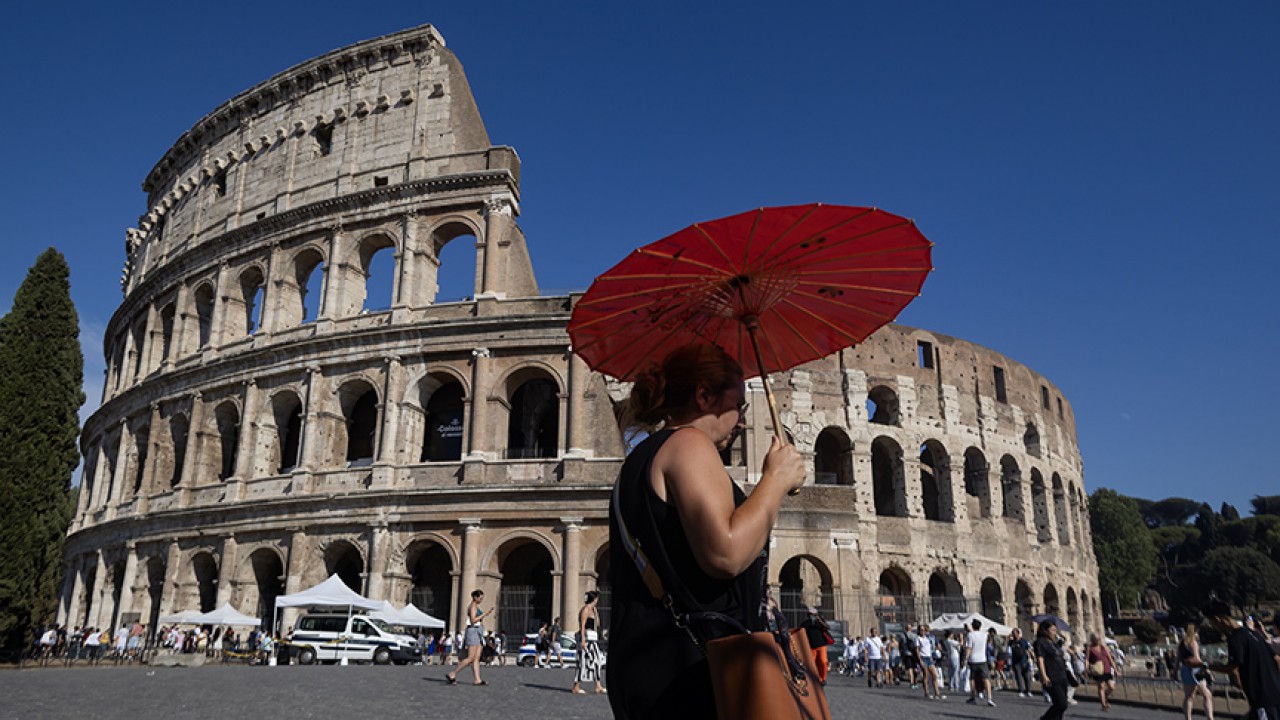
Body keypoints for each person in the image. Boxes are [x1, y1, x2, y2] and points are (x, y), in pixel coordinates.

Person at [606, 343, 806, 720]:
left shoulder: (639, 461)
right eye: (738, 406)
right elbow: (725, 554)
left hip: (647, 666)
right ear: (703, 395)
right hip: (694, 670)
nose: (742, 421)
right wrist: (775, 482)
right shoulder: (689, 445)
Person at [1203, 600, 1280, 720]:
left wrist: (1205, 664)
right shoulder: (1253, 633)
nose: (1214, 627)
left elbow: (1231, 668)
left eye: (1212, 623)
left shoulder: (1235, 639)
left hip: (1263, 699)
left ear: (1217, 619)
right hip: (1274, 692)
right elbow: (1276, 659)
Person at [447, 589, 490, 686]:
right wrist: (484, 614)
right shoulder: (472, 607)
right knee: (470, 658)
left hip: (478, 631)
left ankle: (477, 679)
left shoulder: (476, 606)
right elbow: (473, 620)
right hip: (473, 631)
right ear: (475, 597)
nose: (481, 600)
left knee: (476, 658)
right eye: (480, 598)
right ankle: (453, 673)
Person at [572, 590, 607, 695]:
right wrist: (582, 639)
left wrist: (596, 613)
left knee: (597, 661)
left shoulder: (593, 610)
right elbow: (582, 625)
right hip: (586, 639)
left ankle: (598, 686)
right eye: (597, 598)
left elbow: (598, 624)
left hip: (593, 639)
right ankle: (576, 686)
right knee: (582, 663)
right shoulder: (585, 610)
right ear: (594, 599)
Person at [1177, 623, 1214, 720]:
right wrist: (1207, 669)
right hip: (1195, 669)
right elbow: (1197, 659)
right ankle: (1210, 717)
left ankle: (1188, 718)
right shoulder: (1193, 642)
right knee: (1207, 695)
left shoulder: (1181, 643)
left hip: (1184, 669)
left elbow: (1178, 659)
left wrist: (1175, 670)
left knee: (1189, 696)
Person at [1035, 620, 1070, 720]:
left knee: (1062, 705)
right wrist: (1044, 676)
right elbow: (1040, 659)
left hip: (1062, 675)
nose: (1055, 632)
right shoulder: (1040, 642)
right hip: (1051, 676)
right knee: (1061, 704)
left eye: (1056, 630)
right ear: (1045, 630)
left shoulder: (1054, 643)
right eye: (1053, 630)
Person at [964, 619, 995, 707]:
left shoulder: (970, 635)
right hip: (982, 659)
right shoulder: (984, 635)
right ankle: (989, 698)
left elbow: (969, 648)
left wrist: (966, 658)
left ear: (973, 626)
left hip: (973, 659)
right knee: (986, 679)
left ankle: (973, 697)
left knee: (972, 679)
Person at [800, 608, 832, 684]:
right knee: (812, 663)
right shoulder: (805, 624)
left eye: (814, 615)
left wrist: (820, 620)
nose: (812, 616)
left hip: (821, 645)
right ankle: (814, 677)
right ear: (808, 615)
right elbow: (800, 631)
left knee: (823, 661)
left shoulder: (820, 623)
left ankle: (823, 678)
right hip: (811, 646)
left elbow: (828, 627)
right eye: (811, 614)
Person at [1086, 634, 1117, 710]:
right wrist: (1086, 669)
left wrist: (1115, 669)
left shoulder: (1104, 647)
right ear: (1093, 640)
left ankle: (1105, 696)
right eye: (1096, 639)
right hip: (1098, 670)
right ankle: (1103, 704)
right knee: (1101, 686)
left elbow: (1110, 658)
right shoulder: (1090, 648)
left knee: (1111, 687)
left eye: (1099, 639)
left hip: (1107, 669)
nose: (1098, 640)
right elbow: (1086, 659)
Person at [917, 623, 944, 700]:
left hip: (929, 658)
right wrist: (920, 661)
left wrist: (932, 656)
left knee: (934, 675)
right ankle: (926, 692)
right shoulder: (918, 639)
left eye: (924, 630)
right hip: (923, 658)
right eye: (922, 630)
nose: (923, 631)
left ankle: (937, 693)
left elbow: (930, 648)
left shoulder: (928, 638)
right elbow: (917, 651)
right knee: (926, 676)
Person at [1008, 627, 1034, 697]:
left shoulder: (1023, 641)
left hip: (1024, 661)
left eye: (1014, 633)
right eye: (1013, 633)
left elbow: (1028, 649)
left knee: (1027, 677)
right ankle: (1021, 690)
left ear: (1018, 634)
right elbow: (1008, 648)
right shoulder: (1011, 642)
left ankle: (1028, 690)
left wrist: (1032, 657)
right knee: (1018, 677)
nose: (1013, 635)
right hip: (1016, 661)